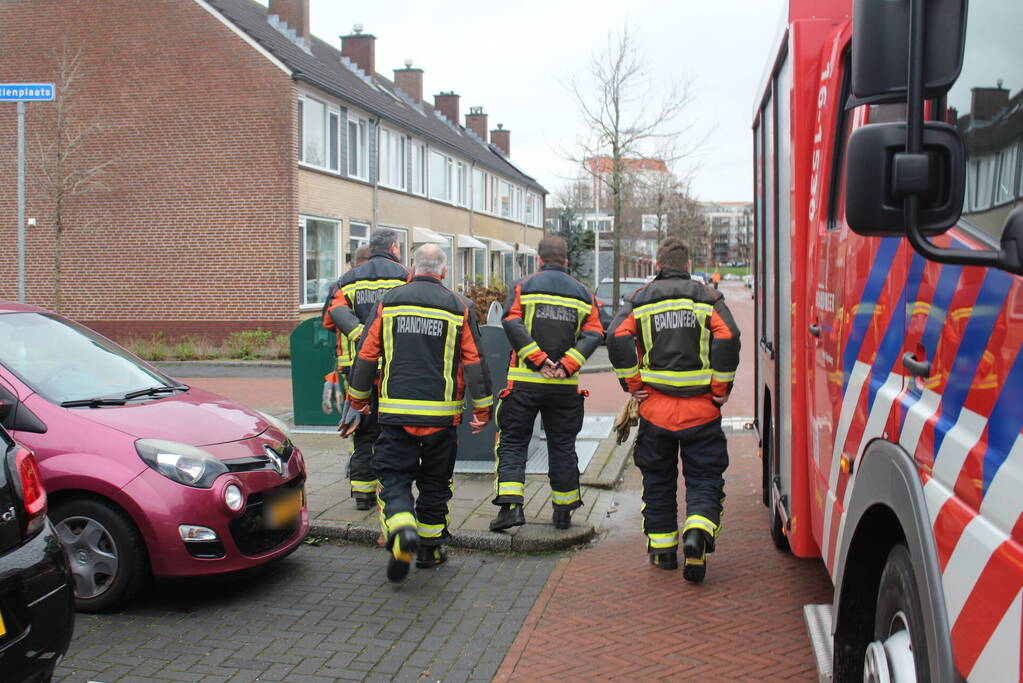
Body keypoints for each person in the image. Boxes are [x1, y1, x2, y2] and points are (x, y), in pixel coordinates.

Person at [347, 244, 492, 582]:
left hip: (395, 416)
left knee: (394, 476)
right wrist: (483, 409)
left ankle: (401, 528)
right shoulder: (459, 306)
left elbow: (366, 354)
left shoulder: (390, 302)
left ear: (412, 267)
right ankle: (429, 550)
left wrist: (357, 400)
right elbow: (474, 362)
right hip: (441, 419)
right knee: (435, 483)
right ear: (443, 271)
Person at [606, 238, 740, 583]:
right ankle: (696, 534)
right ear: (689, 264)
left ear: (657, 265)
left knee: (658, 481)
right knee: (705, 477)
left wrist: (632, 385)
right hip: (702, 412)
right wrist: (720, 389)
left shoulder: (640, 299)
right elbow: (729, 336)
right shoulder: (707, 297)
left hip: (655, 411)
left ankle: (663, 552)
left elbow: (617, 336)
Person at [490, 235, 604, 532]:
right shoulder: (584, 294)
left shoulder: (521, 287)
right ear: (566, 261)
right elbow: (594, 334)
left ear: (539, 260)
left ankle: (511, 509)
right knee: (563, 445)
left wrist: (538, 360)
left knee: (513, 443)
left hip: (524, 385)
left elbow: (511, 322)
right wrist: (566, 364)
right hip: (565, 389)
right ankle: (563, 511)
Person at [322, 230, 410, 510]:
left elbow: (330, 319)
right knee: (394, 432)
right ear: (394, 248)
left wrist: (362, 335)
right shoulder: (405, 276)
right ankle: (392, 492)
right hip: (394, 368)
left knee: (363, 430)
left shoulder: (346, 281)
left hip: (357, 368)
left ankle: (362, 494)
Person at [320, 246, 372, 416]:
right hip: (381, 362)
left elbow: (328, 322)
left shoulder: (341, 284)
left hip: (350, 362)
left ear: (355, 261)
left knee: (357, 414)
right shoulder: (389, 283)